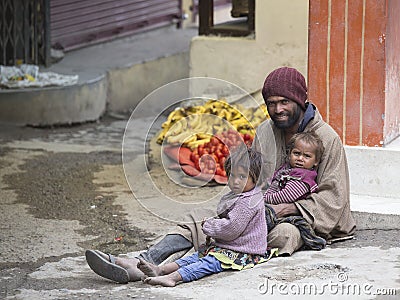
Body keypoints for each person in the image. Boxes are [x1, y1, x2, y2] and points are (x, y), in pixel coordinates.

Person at [85, 66, 356, 283]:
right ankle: (144, 261)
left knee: (281, 235)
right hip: (261, 208)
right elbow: (253, 178)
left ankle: (185, 265)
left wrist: (286, 208)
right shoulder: (265, 131)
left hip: (307, 222)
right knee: (210, 221)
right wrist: (239, 206)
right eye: (271, 103)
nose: (278, 109)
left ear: (300, 100)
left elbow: (335, 200)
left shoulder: (327, 139)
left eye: (284, 101)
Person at [135, 147, 272, 287]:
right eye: (232, 175)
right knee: (197, 256)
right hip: (233, 246)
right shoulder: (240, 194)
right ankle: (161, 270)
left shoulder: (248, 202)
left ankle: (173, 278)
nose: (236, 181)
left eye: (242, 177)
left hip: (245, 251)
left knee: (209, 262)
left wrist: (210, 226)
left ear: (256, 179)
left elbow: (232, 228)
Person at [263, 131, 324, 205]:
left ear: (316, 161)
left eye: (307, 156)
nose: (300, 158)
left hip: (287, 211)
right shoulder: (287, 169)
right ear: (289, 154)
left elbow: (284, 197)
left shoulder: (304, 178)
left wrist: (263, 199)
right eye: (296, 153)